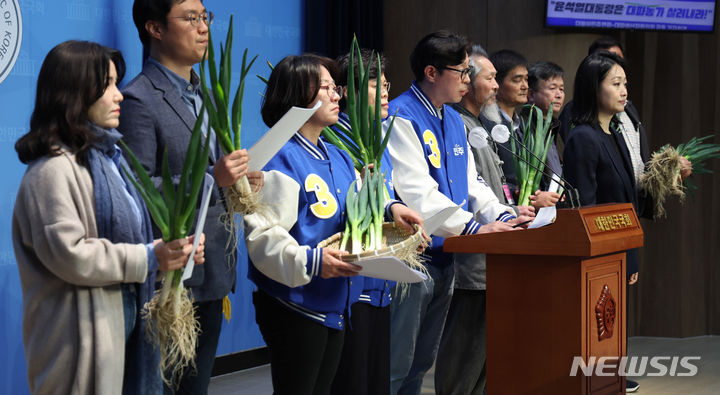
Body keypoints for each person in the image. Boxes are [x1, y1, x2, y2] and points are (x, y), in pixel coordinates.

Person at [12, 40, 204, 395]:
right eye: (108, 86)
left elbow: (129, 237)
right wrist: (149, 257)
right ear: (75, 93)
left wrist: (169, 254)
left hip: (120, 333)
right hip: (78, 350)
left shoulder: (111, 159)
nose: (119, 96)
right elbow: (71, 254)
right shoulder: (52, 171)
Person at [244, 54, 420, 395]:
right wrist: (312, 262)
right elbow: (264, 236)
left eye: (334, 87)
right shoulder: (277, 157)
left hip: (335, 302)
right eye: (326, 88)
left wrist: (391, 211)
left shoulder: (336, 153)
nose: (338, 95)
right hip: (295, 302)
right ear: (296, 94)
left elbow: (355, 208)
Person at [120, 2, 262, 393]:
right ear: (155, 28)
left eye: (205, 17)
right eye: (190, 18)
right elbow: (137, 189)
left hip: (213, 272)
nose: (203, 28)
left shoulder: (204, 94)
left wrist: (238, 183)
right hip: (171, 282)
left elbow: (213, 179)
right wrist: (211, 178)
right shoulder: (138, 100)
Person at [385, 31, 531, 395]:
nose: (467, 80)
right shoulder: (402, 115)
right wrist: (472, 227)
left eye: (469, 72)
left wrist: (507, 214)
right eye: (462, 72)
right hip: (413, 257)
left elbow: (473, 185)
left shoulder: (452, 119)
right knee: (397, 366)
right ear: (432, 72)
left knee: (420, 362)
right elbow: (417, 192)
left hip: (447, 255)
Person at [434, 43, 536, 395]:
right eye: (490, 78)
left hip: (493, 249)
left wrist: (512, 211)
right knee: (465, 355)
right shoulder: (455, 125)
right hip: (471, 258)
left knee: (484, 357)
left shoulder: (481, 124)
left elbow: (486, 186)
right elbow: (465, 189)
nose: (495, 86)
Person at [329, 49, 422, 395]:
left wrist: (395, 208)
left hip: (380, 281)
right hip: (352, 283)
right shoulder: (335, 139)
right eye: (374, 84)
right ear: (346, 90)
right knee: (354, 380)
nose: (385, 91)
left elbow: (383, 195)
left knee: (377, 378)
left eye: (386, 84)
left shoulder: (377, 135)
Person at [488, 49, 529, 199]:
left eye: (526, 79)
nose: (524, 86)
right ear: (497, 83)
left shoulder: (524, 124)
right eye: (517, 80)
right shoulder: (488, 124)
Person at [525, 60, 565, 204]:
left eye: (561, 89)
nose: (559, 94)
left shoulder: (555, 126)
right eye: (553, 88)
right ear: (531, 94)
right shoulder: (525, 127)